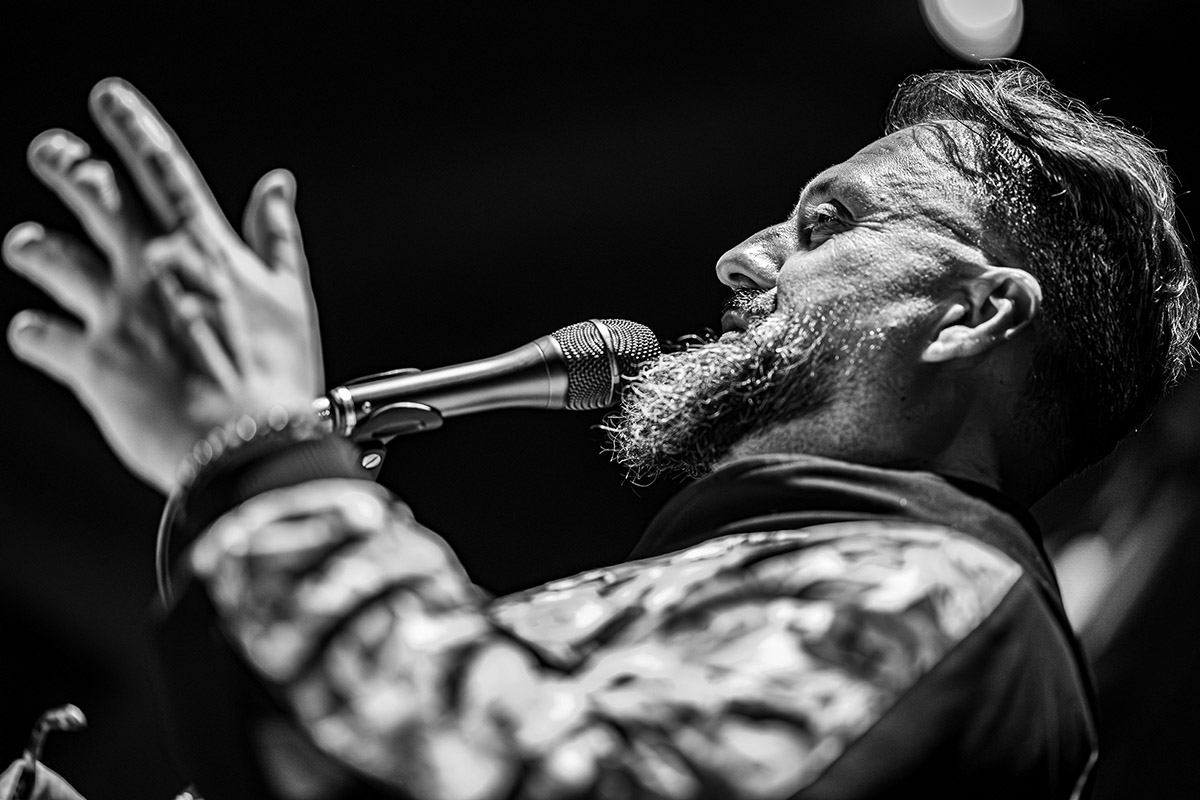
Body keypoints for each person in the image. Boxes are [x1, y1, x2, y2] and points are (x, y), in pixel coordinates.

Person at [1, 63, 1194, 800]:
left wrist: (265, 461)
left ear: (975, 313)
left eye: (828, 223)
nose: (740, 257)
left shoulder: (936, 592)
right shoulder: (790, 574)